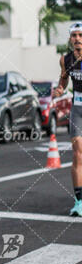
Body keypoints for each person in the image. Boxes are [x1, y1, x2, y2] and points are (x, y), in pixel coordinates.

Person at [53, 21, 82, 216]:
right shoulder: (66, 60)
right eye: (74, 36)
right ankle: (79, 202)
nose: (77, 39)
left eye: (80, 35)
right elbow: (64, 78)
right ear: (70, 39)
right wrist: (60, 88)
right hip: (78, 109)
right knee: (78, 154)